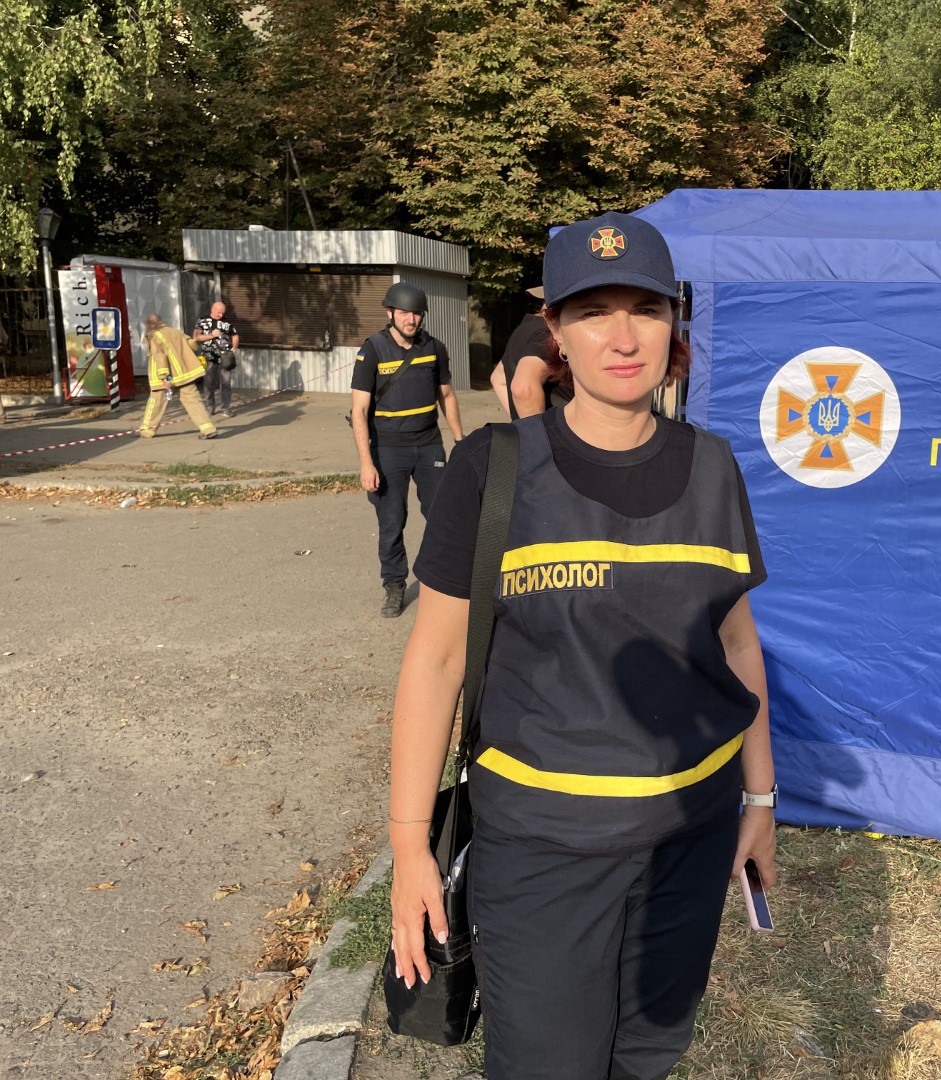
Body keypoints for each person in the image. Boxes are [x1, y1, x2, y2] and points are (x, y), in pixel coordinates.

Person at [388, 211, 777, 1080]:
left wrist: (760, 800)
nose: (623, 336)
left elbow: (738, 644)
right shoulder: (493, 469)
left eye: (645, 308)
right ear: (555, 331)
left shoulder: (715, 467)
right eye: (594, 311)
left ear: (674, 322)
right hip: (542, 850)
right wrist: (410, 847)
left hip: (690, 838)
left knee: (649, 1052)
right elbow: (436, 663)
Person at [351, 281, 464, 618]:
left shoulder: (434, 348)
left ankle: (444, 579)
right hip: (388, 450)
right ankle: (395, 585)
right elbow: (359, 411)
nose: (411, 319)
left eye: (416, 313)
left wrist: (461, 441)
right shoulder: (371, 350)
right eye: (404, 313)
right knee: (391, 521)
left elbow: (447, 396)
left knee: (444, 516)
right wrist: (366, 463)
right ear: (390, 313)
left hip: (429, 446)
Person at [490, 286, 573, 419]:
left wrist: (520, 423)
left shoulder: (526, 328)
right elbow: (523, 389)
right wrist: (537, 430)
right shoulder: (548, 335)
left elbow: (498, 378)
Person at [139, 313, 217, 440]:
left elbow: (159, 357)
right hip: (185, 374)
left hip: (166, 378)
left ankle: (147, 430)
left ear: (151, 324)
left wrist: (164, 377)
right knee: (194, 402)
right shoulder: (175, 331)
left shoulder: (154, 335)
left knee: (156, 403)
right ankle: (208, 429)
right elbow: (192, 345)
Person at [193, 300, 239, 417]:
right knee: (209, 383)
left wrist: (234, 347)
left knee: (226, 383)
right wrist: (211, 335)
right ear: (212, 309)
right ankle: (210, 406)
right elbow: (196, 337)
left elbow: (235, 335)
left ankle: (226, 407)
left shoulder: (226, 322)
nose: (221, 315)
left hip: (225, 356)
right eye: (219, 312)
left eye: (223, 313)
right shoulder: (202, 320)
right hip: (209, 356)